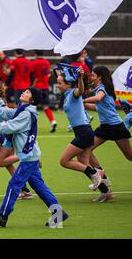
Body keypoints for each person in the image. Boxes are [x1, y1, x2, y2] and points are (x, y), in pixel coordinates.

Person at [0, 87, 68, 227]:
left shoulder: (25, 114)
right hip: (30, 155)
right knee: (39, 186)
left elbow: (8, 127)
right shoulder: (21, 110)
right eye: (25, 91)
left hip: (29, 156)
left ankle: (3, 216)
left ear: (32, 100)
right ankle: (59, 214)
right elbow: (1, 112)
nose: (24, 92)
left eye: (28, 92)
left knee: (14, 184)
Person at [56, 67, 109, 198]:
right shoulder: (67, 94)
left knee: (64, 161)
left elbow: (80, 89)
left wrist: (79, 77)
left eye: (60, 83)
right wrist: (60, 69)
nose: (58, 86)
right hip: (83, 131)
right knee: (83, 163)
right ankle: (105, 192)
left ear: (68, 84)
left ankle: (96, 173)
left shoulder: (73, 93)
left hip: (84, 132)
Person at [0, 76, 34, 199]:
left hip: (7, 134)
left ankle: (28, 155)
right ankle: (25, 191)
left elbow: (5, 113)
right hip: (4, 133)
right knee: (8, 164)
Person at [83, 66, 132, 201]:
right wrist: (86, 105)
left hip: (116, 127)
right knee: (86, 148)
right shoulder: (99, 89)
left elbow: (98, 99)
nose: (91, 77)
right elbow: (99, 106)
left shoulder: (102, 88)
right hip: (105, 127)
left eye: (93, 75)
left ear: (99, 76)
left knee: (129, 156)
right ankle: (101, 179)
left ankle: (100, 177)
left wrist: (83, 100)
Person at [31, 50, 57, 132]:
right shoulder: (47, 62)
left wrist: (32, 86)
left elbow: (34, 76)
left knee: (32, 107)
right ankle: (53, 121)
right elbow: (48, 74)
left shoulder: (34, 63)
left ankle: (32, 126)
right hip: (45, 86)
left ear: (35, 54)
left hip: (37, 87)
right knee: (45, 106)